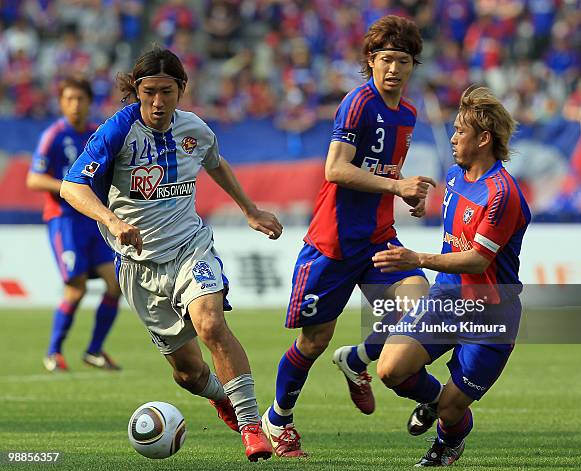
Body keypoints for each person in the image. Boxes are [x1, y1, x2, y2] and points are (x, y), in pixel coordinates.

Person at [60, 47, 282, 462]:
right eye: (148, 94)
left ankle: (252, 428)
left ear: (181, 89)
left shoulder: (193, 129)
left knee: (211, 325)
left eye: (166, 92)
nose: (158, 103)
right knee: (188, 372)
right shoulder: (117, 131)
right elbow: (71, 186)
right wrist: (112, 221)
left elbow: (215, 162)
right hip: (138, 266)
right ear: (136, 92)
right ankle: (222, 398)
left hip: (188, 248)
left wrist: (249, 209)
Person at [261, 15, 436, 457]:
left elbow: (384, 172)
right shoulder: (357, 103)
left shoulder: (409, 114)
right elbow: (335, 170)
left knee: (419, 303)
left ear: (413, 65)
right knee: (314, 341)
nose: (393, 69)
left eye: (402, 61)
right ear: (370, 62)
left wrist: (407, 196)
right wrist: (397, 186)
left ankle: (358, 359)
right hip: (333, 243)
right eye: (385, 60)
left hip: (379, 236)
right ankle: (278, 418)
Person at [372, 86, 530, 466]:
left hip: (490, 314)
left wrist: (417, 258)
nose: (454, 137)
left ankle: (447, 442)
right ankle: (433, 401)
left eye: (461, 131)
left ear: (484, 139)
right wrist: (419, 199)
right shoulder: (456, 176)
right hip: (446, 298)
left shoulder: (502, 194)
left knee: (451, 411)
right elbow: (456, 221)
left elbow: (476, 261)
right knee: (390, 369)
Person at [27, 76, 122, 372]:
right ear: (61, 103)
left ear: (89, 102)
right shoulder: (54, 135)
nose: (75, 105)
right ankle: (53, 352)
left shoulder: (99, 134)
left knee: (115, 284)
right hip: (65, 220)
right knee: (76, 288)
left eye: (80, 99)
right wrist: (71, 186)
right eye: (69, 99)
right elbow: (33, 179)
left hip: (94, 219)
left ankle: (94, 351)